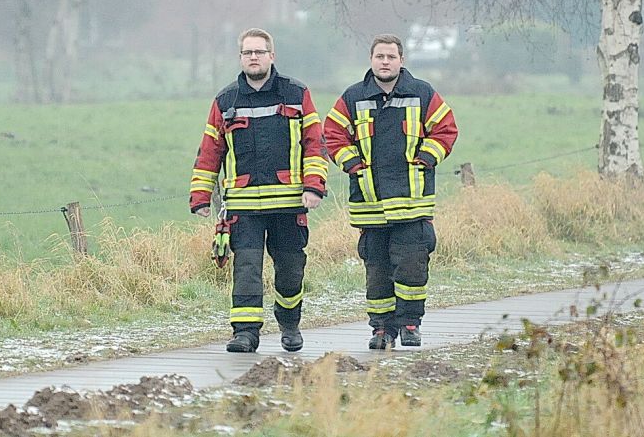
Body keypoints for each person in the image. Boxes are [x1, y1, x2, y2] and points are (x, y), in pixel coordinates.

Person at [189, 28, 328, 353]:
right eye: (248, 52)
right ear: (240, 58)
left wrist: (314, 186)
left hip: (289, 203)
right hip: (244, 205)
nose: (254, 57)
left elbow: (315, 144)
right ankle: (245, 333)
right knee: (247, 268)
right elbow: (210, 149)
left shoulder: (296, 94)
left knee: (291, 269)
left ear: (271, 56)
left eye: (259, 52)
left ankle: (290, 323)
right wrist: (201, 195)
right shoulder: (226, 101)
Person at [323, 33, 458, 350]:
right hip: (370, 202)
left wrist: (426, 158)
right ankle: (381, 330)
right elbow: (331, 134)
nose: (385, 62)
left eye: (391, 57)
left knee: (412, 267)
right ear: (371, 60)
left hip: (412, 202)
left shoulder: (422, 93)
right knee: (378, 271)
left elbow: (446, 129)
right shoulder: (353, 97)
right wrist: (353, 164)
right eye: (379, 57)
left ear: (401, 60)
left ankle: (410, 324)